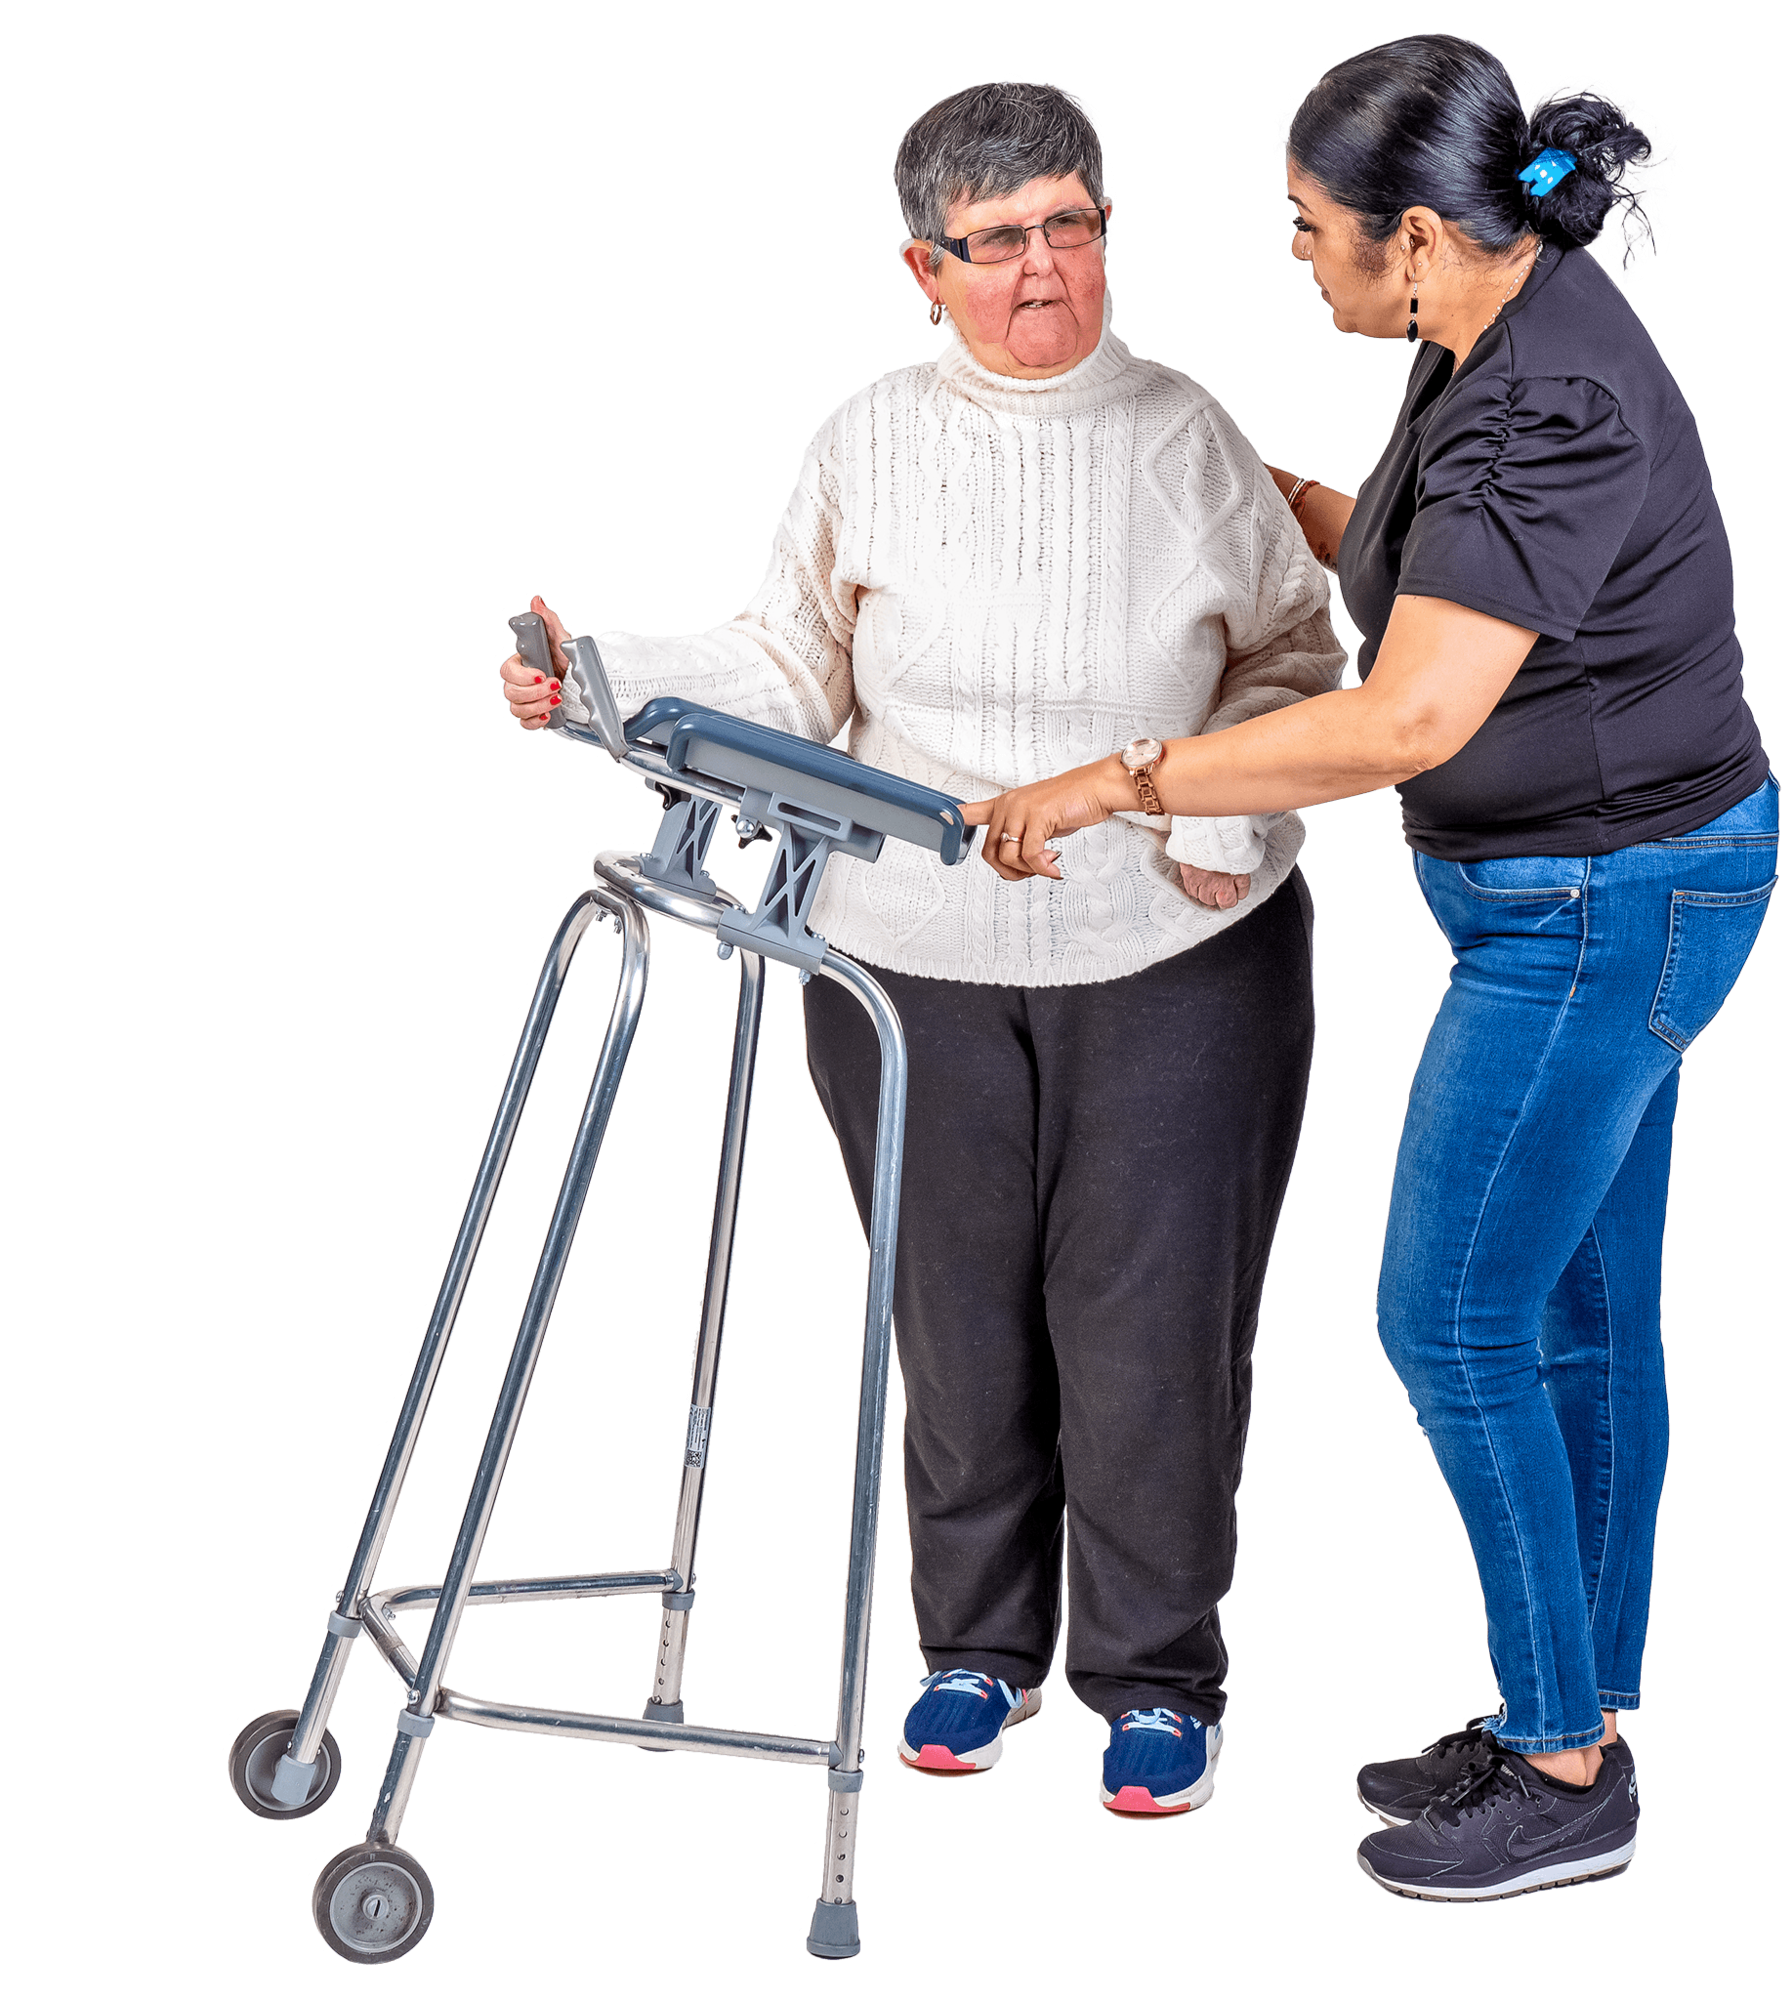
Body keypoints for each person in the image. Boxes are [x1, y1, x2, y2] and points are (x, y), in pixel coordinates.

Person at [960, 36, 1777, 1900]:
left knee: (1455, 1321)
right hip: (1620, 887)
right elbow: (1414, 565)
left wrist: (1121, 779)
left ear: (1417, 236)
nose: (1299, 258)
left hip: (1600, 910)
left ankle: (1564, 1774)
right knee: (1573, 1315)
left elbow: (1406, 711)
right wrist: (1207, 470)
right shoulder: (1491, 321)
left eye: (1315, 231)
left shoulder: (1542, 401)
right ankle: (1578, 1705)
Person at [494, 77, 1345, 1821]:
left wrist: (1210, 816)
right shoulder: (868, 436)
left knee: (1157, 1327)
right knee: (951, 1323)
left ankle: (1155, 1678)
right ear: (923, 267)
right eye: (999, 241)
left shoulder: (1188, 430)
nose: (1042, 268)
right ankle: (973, 1649)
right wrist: (607, 683)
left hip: (1175, 956)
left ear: (1107, 231)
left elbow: (1302, 654)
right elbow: (794, 663)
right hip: (905, 955)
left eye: (1070, 225)